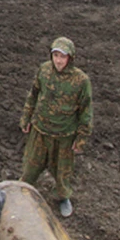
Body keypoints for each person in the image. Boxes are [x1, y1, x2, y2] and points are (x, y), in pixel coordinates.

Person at [19, 37, 93, 218]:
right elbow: (33, 95)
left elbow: (86, 111)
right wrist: (26, 117)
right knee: (30, 166)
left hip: (64, 135)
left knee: (62, 171)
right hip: (40, 130)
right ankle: (22, 193)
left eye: (63, 57)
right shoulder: (44, 71)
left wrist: (81, 138)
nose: (58, 60)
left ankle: (62, 197)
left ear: (71, 58)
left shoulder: (81, 81)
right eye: (56, 55)